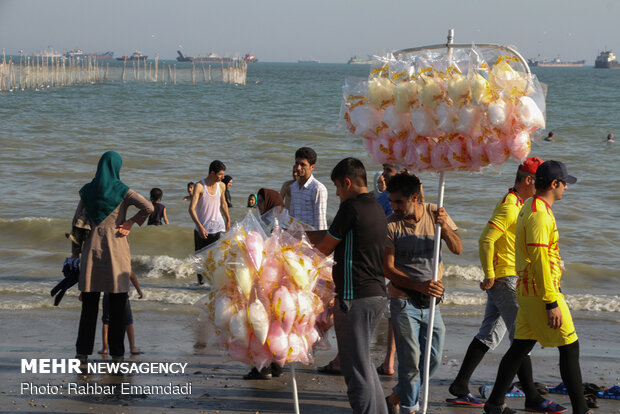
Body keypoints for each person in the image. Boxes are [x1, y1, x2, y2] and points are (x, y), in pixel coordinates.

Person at [447, 157, 564, 412]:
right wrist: (489, 273)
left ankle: (460, 385)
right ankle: (532, 397)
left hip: (508, 278)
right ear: (528, 180)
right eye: (539, 181)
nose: (542, 186)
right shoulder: (510, 206)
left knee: (490, 334)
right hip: (506, 279)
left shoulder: (522, 203)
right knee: (523, 336)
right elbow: (485, 239)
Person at [483, 161, 590, 414]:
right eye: (564, 183)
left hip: (527, 289)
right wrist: (551, 301)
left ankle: (495, 404)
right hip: (540, 292)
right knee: (570, 346)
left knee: (521, 345)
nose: (566, 188)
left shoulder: (530, 205)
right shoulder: (540, 215)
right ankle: (581, 410)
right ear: (554, 184)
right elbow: (540, 259)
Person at [383, 172, 462, 414]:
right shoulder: (390, 225)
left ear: (414, 197)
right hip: (403, 301)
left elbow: (457, 248)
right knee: (409, 363)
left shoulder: (435, 212)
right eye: (391, 201)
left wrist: (445, 228)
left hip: (432, 303)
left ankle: (397, 395)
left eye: (398, 202)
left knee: (433, 358)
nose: (393, 207)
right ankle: (410, 408)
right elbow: (388, 269)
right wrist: (419, 286)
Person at [315, 157, 388, 414]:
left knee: (354, 367)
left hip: (353, 296)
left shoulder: (350, 208)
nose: (336, 193)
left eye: (336, 187)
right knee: (364, 363)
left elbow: (324, 248)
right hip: (376, 294)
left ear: (347, 182)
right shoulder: (377, 207)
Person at [71, 151, 153, 362]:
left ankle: (82, 352)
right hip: (116, 252)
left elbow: (76, 224)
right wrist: (130, 222)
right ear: (117, 167)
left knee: (88, 307)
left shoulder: (87, 190)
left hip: (91, 253)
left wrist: (74, 254)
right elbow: (149, 207)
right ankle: (117, 353)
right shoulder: (123, 191)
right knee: (117, 306)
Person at [189, 160, 231, 284]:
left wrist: (228, 219)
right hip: (202, 230)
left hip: (218, 228)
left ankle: (214, 288)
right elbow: (191, 209)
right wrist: (199, 226)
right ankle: (200, 287)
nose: (223, 177)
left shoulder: (221, 186)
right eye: (220, 175)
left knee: (218, 261)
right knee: (200, 262)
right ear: (212, 173)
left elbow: (223, 204)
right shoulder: (200, 186)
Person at [99, 270, 143, 355]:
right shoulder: (123, 260)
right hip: (121, 293)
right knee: (128, 320)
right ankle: (132, 347)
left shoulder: (107, 261)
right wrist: (138, 290)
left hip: (108, 293)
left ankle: (105, 348)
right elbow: (132, 276)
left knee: (106, 321)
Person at [289, 147, 328, 230]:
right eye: (297, 163)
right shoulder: (294, 187)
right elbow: (292, 216)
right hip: (297, 237)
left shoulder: (318, 188)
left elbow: (320, 222)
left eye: (303, 164)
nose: (298, 168)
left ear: (312, 167)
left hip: (312, 238)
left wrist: (319, 241)